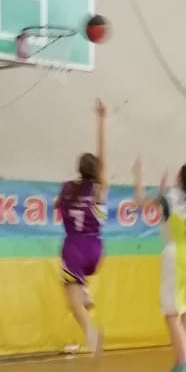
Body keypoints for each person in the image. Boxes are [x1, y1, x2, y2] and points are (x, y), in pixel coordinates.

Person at [137, 158, 186, 372]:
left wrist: (138, 175)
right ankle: (179, 363)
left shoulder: (169, 197)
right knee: (183, 312)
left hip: (175, 256)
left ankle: (185, 363)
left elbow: (141, 202)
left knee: (171, 314)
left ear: (180, 178)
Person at [56, 99, 107, 355]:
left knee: (73, 303)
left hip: (74, 247)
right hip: (96, 250)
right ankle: (84, 290)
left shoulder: (67, 188)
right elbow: (103, 159)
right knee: (77, 289)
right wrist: (102, 120)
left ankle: (92, 335)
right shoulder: (98, 190)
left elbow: (58, 206)